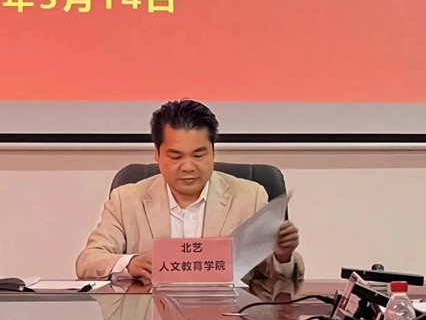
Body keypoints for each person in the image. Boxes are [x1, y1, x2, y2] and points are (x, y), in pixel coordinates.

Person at [75, 98, 304, 281]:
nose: (188, 167)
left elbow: (272, 280)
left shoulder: (250, 196)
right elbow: (88, 261)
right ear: (157, 154)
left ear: (213, 152)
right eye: (175, 156)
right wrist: (130, 264)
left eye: (199, 155)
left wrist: (282, 256)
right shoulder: (126, 199)